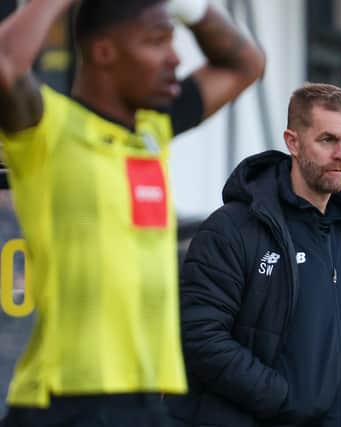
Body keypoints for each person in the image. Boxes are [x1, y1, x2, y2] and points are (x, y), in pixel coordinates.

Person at [0, 0, 265, 425]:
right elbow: (6, 64)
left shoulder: (151, 132)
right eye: (156, 42)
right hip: (65, 402)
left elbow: (245, 63)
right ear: (104, 51)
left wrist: (189, 8)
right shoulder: (49, 130)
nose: (174, 58)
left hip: (146, 401)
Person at [165, 83, 341, 427]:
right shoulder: (234, 228)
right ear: (293, 142)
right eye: (327, 140)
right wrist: (284, 400)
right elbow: (201, 337)